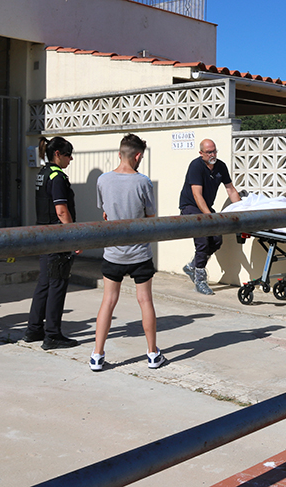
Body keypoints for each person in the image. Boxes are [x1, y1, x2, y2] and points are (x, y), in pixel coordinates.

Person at [90, 134, 165, 371]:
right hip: (140, 252)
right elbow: (150, 216)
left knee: (108, 302)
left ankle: (97, 355)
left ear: (119, 153)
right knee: (145, 301)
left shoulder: (102, 180)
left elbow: (104, 213)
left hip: (113, 252)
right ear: (138, 156)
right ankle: (153, 353)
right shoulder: (143, 182)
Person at [23, 136, 80, 350]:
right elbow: (61, 210)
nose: (71, 159)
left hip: (44, 235)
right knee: (57, 285)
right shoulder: (57, 177)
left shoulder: (43, 173)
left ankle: (34, 329)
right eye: (68, 155)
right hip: (58, 237)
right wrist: (74, 236)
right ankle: (53, 334)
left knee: (45, 284)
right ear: (58, 154)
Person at [179, 138, 242, 295]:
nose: (213, 154)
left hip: (205, 208)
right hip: (191, 207)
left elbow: (231, 190)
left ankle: (192, 266)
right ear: (201, 153)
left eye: (214, 151)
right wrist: (209, 216)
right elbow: (196, 194)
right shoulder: (196, 166)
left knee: (216, 240)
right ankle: (200, 279)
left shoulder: (220, 166)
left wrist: (242, 209)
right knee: (203, 241)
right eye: (209, 152)